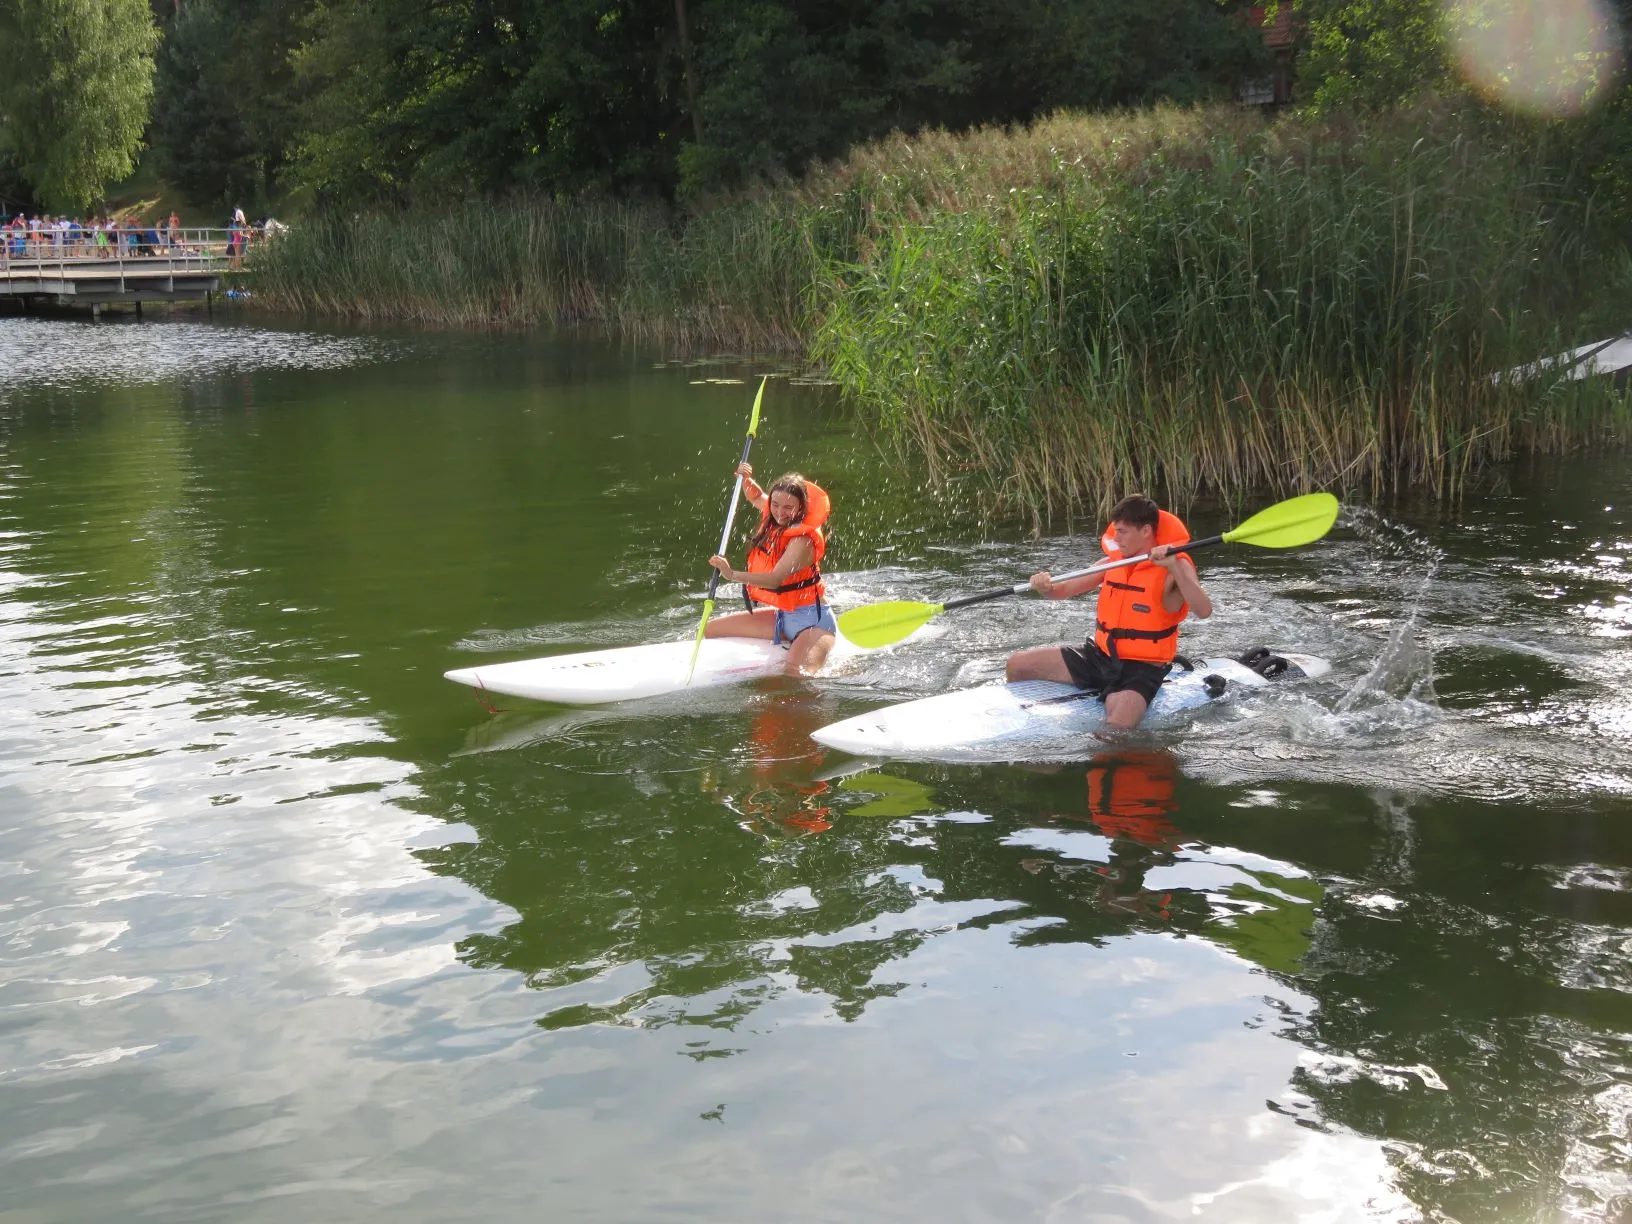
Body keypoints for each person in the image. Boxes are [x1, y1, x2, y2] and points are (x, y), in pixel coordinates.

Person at [1006, 493, 1212, 731]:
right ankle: (1023, 727)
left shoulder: (1176, 565)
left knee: (1116, 727)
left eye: (1122, 531)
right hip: (1100, 657)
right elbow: (1060, 591)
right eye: (1115, 530)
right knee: (1017, 665)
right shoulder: (1112, 562)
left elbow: (1203, 610)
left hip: (1141, 668)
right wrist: (1045, 587)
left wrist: (1174, 567)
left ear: (1145, 531)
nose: (1115, 537)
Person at [706, 463, 837, 676]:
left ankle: (828, 657)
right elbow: (756, 498)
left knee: (794, 675)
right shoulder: (776, 513)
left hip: (814, 622)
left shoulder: (803, 541)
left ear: (801, 508)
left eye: (788, 508)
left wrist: (731, 575)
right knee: (711, 629)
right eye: (775, 505)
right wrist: (746, 479)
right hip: (783, 618)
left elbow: (775, 580)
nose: (779, 513)